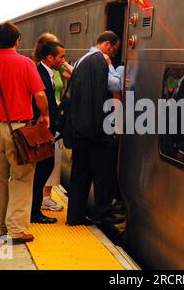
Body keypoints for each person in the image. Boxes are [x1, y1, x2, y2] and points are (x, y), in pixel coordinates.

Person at [0, 22, 50, 244]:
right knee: (21, 178)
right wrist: (44, 115)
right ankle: (15, 230)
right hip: (19, 130)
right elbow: (40, 95)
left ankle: (1, 228)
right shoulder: (25, 64)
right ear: (18, 40)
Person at [65, 31, 125, 226]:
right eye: (114, 51)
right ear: (108, 44)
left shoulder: (82, 60)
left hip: (80, 130)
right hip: (97, 132)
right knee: (103, 175)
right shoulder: (100, 61)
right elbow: (115, 85)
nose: (113, 55)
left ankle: (75, 215)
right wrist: (110, 65)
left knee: (79, 176)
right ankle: (102, 214)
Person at [32, 33, 72, 212]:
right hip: (44, 128)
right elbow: (40, 98)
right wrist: (46, 117)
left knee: (45, 168)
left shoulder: (50, 72)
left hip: (52, 128)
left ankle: (35, 209)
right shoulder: (40, 73)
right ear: (50, 57)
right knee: (41, 170)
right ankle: (34, 211)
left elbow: (73, 75)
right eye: (61, 57)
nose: (64, 60)